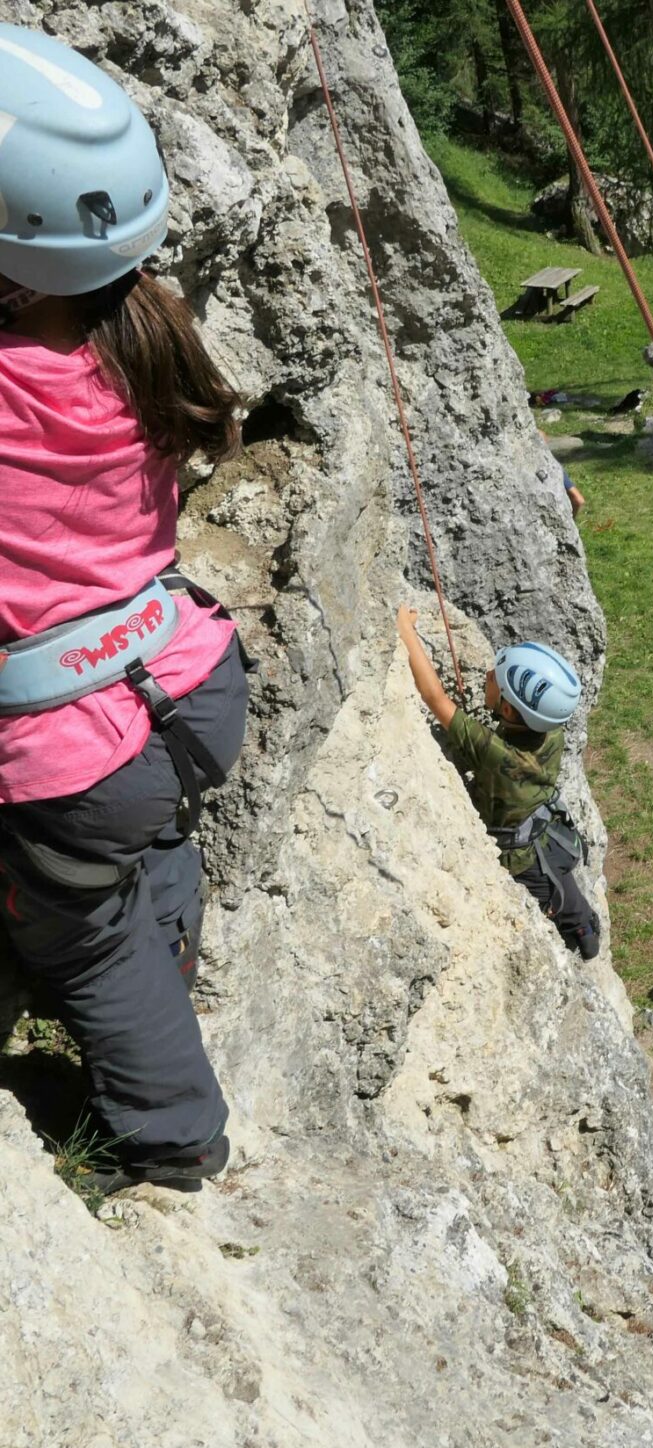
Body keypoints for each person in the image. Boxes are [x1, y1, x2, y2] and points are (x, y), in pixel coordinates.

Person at [0, 25, 250, 1194]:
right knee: (138, 843)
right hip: (191, 680)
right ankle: (168, 930)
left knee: (75, 939)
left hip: (69, 758)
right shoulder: (143, 329)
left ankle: (169, 1136)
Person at [396, 607, 600, 960]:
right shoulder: (550, 731)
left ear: (507, 711)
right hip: (541, 825)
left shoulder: (499, 757)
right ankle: (580, 921)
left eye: (495, 679)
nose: (488, 675)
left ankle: (582, 932)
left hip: (521, 856)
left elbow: (435, 699)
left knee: (557, 899)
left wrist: (405, 631)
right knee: (564, 888)